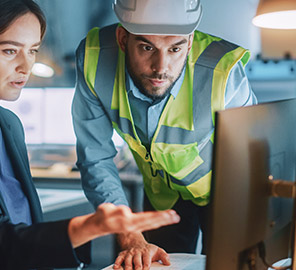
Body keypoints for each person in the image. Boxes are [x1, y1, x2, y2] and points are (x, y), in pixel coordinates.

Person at [0, 0, 180, 269]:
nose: (25, 66)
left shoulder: (9, 124)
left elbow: (25, 230)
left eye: (32, 50)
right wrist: (89, 227)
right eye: (10, 50)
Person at [72, 0, 258, 268]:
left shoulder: (223, 72)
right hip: (162, 196)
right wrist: (130, 234)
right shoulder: (94, 59)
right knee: (157, 263)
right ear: (123, 39)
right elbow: (95, 158)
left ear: (190, 42)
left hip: (225, 194)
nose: (161, 67)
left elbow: (249, 161)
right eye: (147, 47)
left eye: (175, 48)